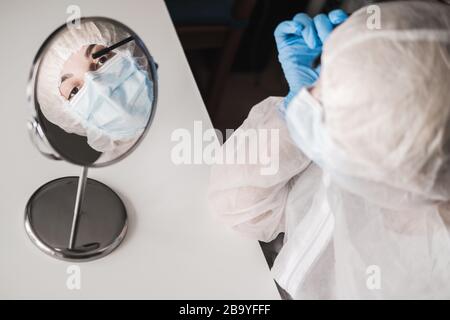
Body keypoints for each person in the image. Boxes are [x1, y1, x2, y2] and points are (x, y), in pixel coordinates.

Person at [208, 0, 450, 299]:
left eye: (323, 97)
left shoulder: (432, 269)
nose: (309, 97)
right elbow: (238, 206)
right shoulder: (372, 156)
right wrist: (290, 111)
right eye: (324, 72)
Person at [37, 20, 154, 161]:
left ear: (126, 47)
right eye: (74, 91)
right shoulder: (105, 177)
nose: (101, 88)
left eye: (102, 60)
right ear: (68, 117)